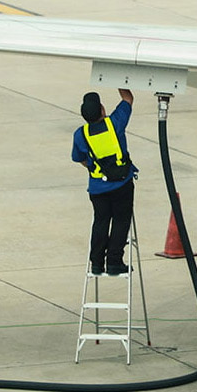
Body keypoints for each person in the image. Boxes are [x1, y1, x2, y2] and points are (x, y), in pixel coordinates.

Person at [72, 89, 138, 276]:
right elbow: (128, 98)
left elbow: (79, 158)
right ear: (102, 110)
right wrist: (120, 79)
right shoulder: (115, 123)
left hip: (97, 188)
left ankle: (97, 262)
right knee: (121, 220)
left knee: (101, 221)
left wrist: (95, 168)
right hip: (121, 184)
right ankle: (114, 261)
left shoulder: (80, 134)